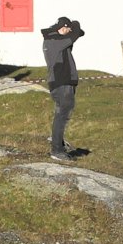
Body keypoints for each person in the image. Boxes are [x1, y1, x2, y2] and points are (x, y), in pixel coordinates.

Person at [41, 15, 85, 162]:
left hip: (61, 82)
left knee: (61, 115)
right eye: (68, 29)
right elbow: (75, 34)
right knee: (62, 116)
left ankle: (58, 145)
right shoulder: (54, 40)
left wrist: (72, 29)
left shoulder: (54, 39)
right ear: (63, 28)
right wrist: (75, 24)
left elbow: (78, 34)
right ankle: (57, 150)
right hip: (61, 82)